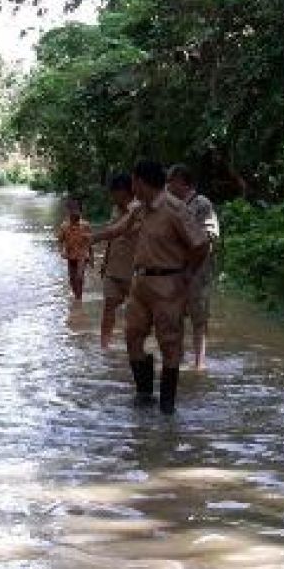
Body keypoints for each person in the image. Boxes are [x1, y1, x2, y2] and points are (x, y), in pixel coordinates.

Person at [89, 160, 209, 414]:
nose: (132, 187)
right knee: (132, 335)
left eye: (134, 182)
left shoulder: (175, 209)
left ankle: (167, 408)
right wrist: (93, 238)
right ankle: (144, 396)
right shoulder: (140, 208)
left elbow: (200, 245)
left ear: (142, 182)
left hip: (168, 284)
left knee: (169, 343)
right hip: (140, 282)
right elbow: (121, 228)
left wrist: (187, 275)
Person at [167, 164, 220, 370]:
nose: (168, 185)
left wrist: (192, 267)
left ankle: (199, 364)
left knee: (199, 319)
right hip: (175, 271)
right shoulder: (173, 204)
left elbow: (210, 237)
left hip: (198, 272)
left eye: (171, 181)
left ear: (182, 181)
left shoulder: (201, 203)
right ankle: (178, 359)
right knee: (175, 317)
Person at [89, 174, 142, 349]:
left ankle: (134, 347)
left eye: (115, 193)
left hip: (134, 270)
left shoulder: (139, 209)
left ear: (124, 191)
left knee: (136, 313)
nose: (113, 197)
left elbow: (119, 232)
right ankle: (105, 346)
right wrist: (104, 262)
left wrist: (94, 237)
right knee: (108, 307)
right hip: (113, 268)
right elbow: (112, 239)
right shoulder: (115, 209)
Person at [56, 199, 93, 301]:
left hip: (82, 255)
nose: (74, 213)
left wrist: (91, 258)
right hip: (70, 256)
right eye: (72, 211)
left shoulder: (85, 225)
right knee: (72, 280)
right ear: (68, 211)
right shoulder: (64, 226)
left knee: (79, 277)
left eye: (76, 210)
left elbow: (90, 242)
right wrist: (61, 251)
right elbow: (60, 241)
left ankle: (79, 299)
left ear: (80, 211)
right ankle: (77, 296)